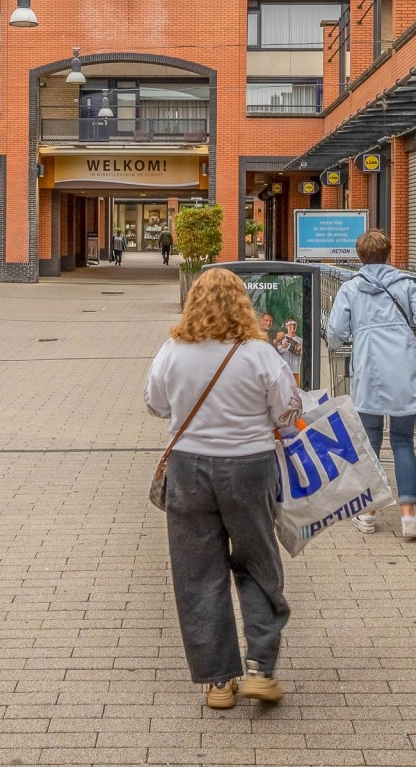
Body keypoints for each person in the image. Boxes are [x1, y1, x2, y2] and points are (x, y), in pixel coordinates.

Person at [145, 268, 298, 710]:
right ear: (242, 304)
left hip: (188, 469)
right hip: (250, 468)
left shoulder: (173, 350)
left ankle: (218, 681)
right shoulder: (260, 353)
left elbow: (155, 404)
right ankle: (260, 669)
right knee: (257, 564)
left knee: (197, 574)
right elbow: (287, 413)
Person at [324, 229, 416, 540]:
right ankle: (409, 516)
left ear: (360, 256)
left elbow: (335, 331)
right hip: (403, 368)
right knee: (402, 441)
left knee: (370, 441)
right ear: (388, 254)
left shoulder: (350, 288)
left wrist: (339, 342)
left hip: (368, 370)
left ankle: (368, 514)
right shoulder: (406, 284)